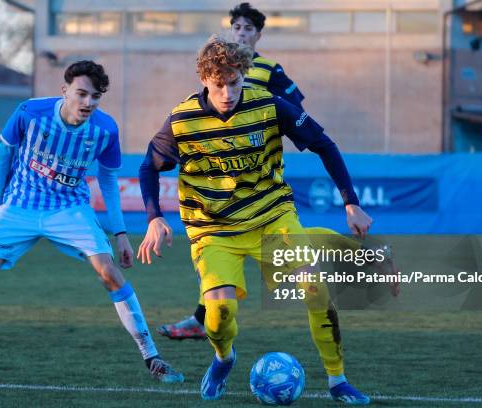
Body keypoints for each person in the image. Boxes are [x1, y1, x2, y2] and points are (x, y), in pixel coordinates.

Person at [0, 60, 184, 384]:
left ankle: (152, 358)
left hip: (69, 209)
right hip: (20, 204)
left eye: (95, 97)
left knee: (109, 272)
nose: (88, 103)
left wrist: (122, 234)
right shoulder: (30, 112)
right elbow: (4, 151)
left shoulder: (105, 130)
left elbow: (109, 182)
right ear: (65, 90)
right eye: (81, 94)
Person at [138, 36, 371, 404]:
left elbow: (324, 144)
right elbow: (149, 168)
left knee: (318, 294)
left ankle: (337, 380)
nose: (228, 92)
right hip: (214, 230)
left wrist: (351, 203)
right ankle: (223, 358)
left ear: (244, 75)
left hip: (271, 218)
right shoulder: (182, 120)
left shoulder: (270, 106)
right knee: (218, 314)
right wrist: (154, 217)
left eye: (235, 82)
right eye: (219, 85)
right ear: (204, 80)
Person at [155, 2, 387, 342]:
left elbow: (298, 114)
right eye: (237, 27)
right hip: (222, 180)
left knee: (285, 257)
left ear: (258, 35)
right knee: (224, 253)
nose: (242, 33)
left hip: (257, 172)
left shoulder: (270, 71)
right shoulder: (212, 78)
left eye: (248, 29)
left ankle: (202, 318)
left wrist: (264, 130)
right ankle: (204, 317)